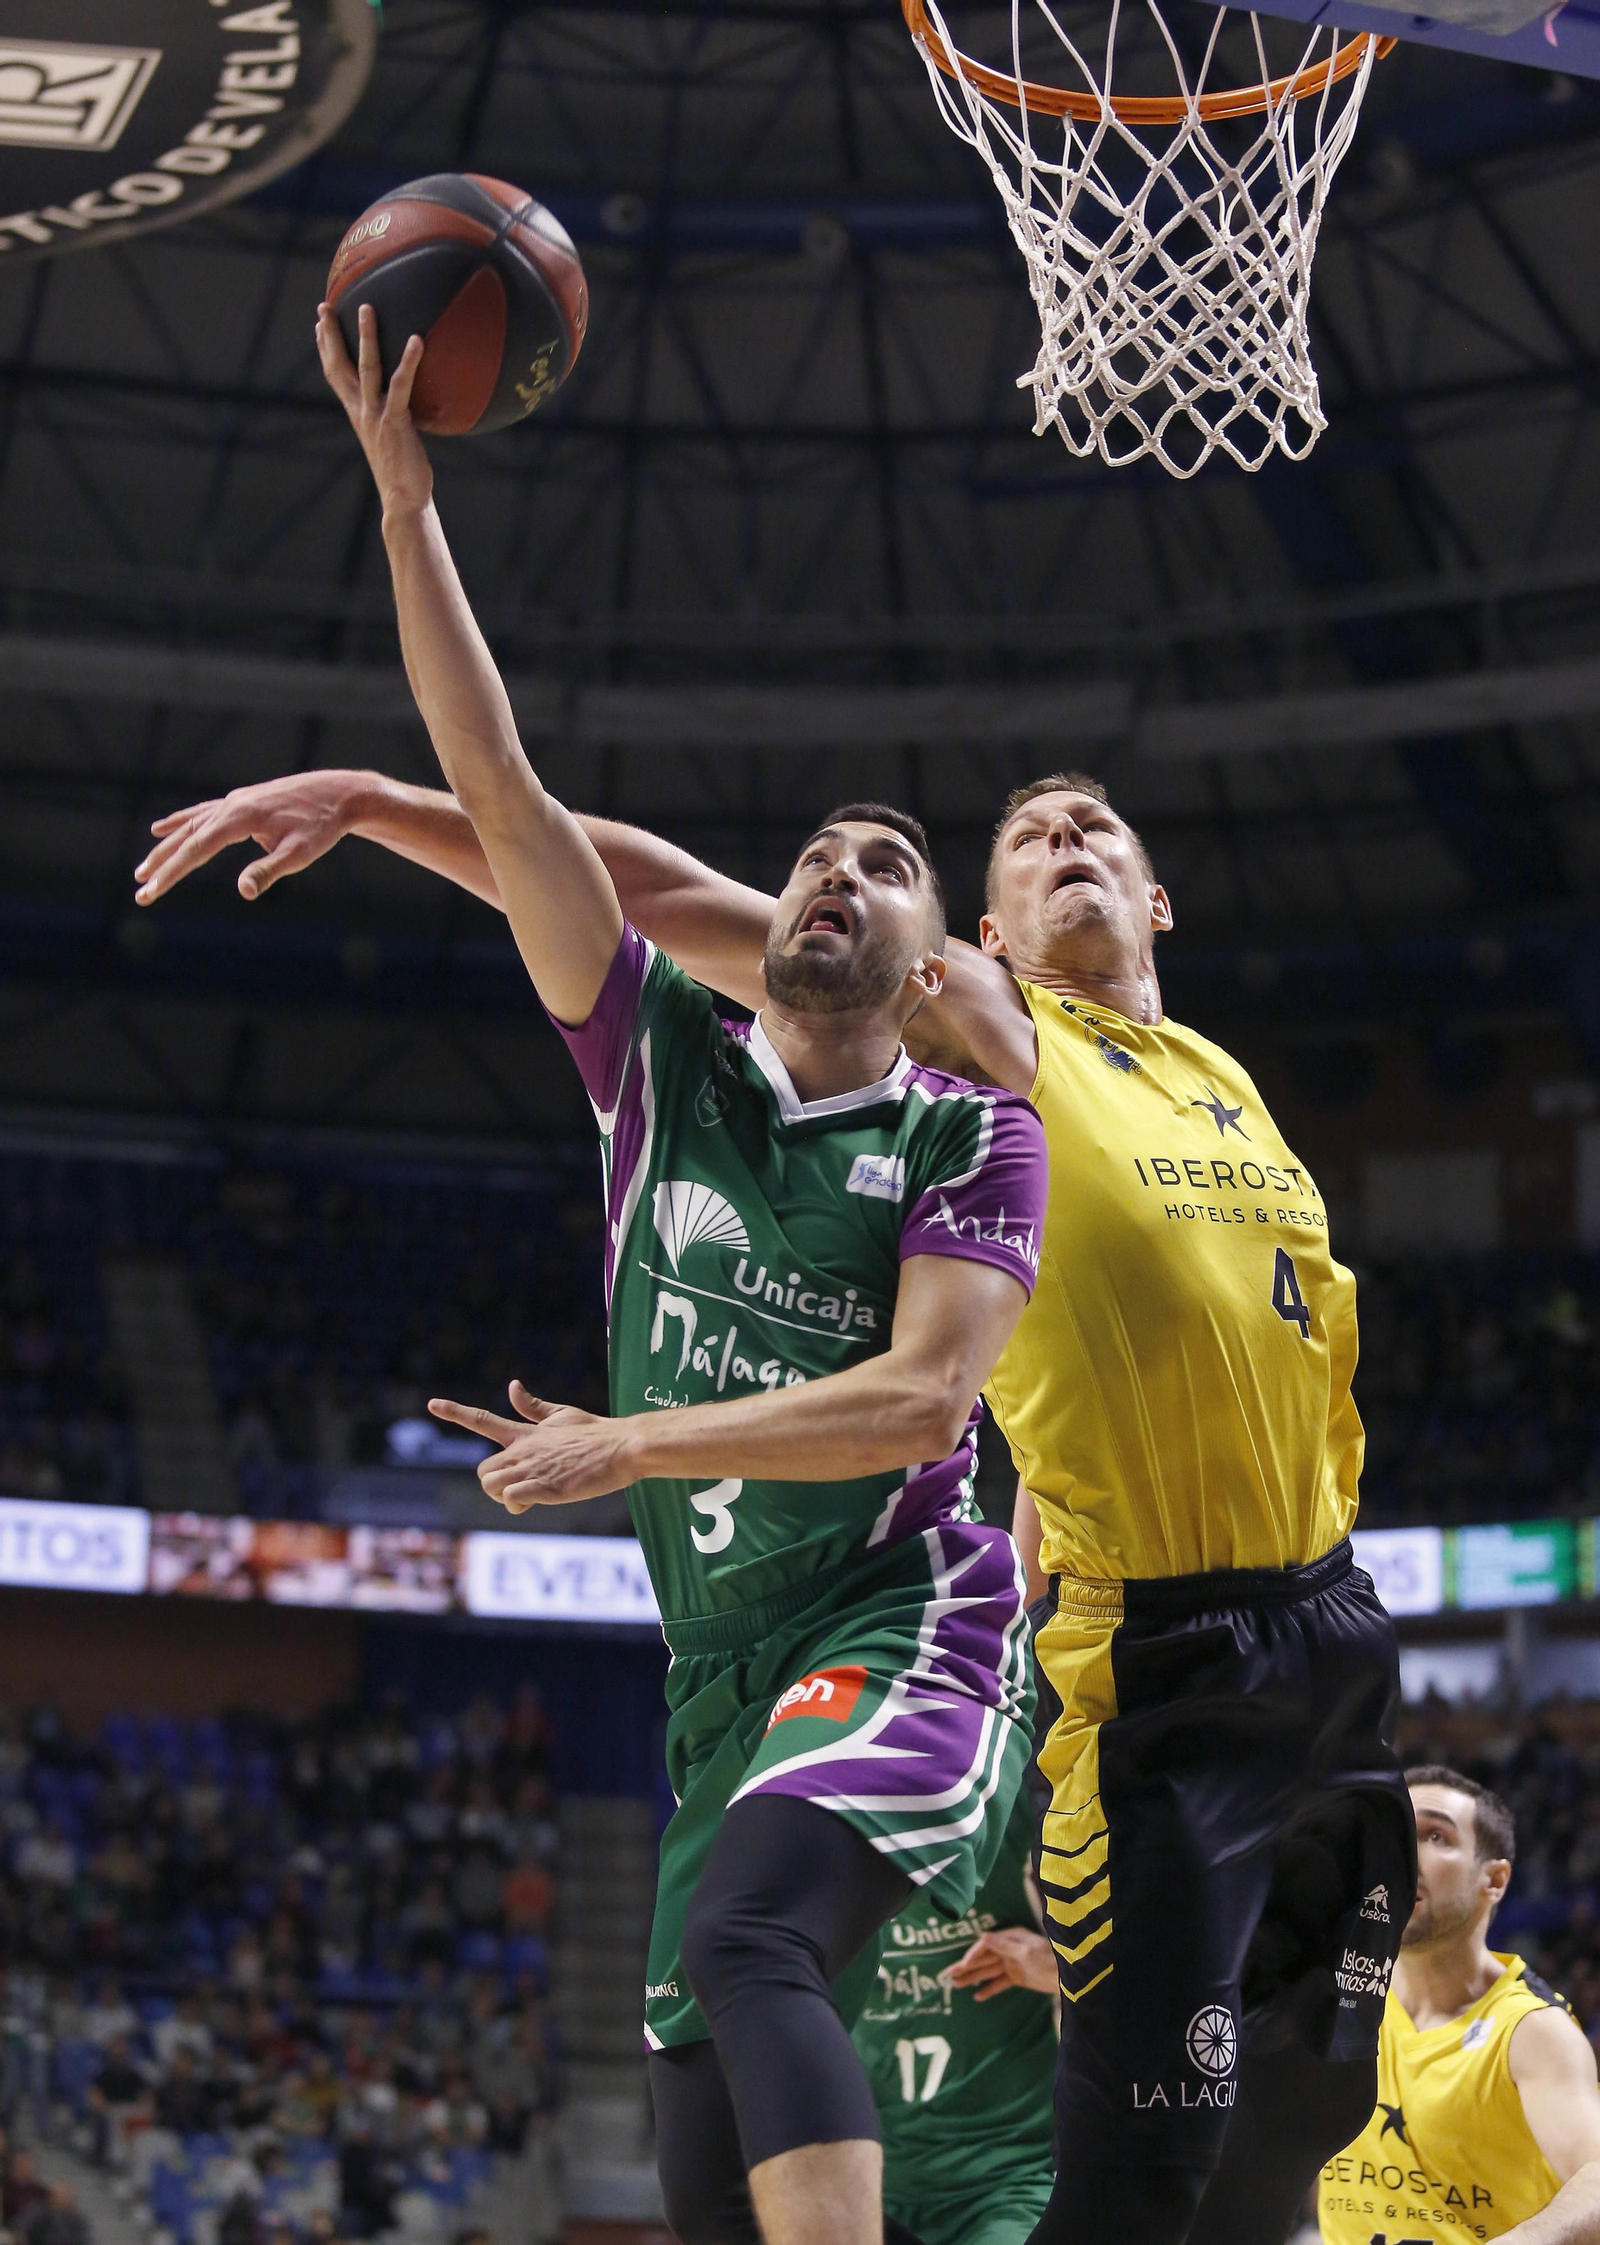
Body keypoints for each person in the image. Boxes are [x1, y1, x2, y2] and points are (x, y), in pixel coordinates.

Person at [137, 530, 1408, 2245]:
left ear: (1160, 896)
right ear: (976, 934)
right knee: (963, 2155)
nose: (1067, 843)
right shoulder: (970, 1034)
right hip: (1080, 1651)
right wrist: (379, 799)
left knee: (1296, 2132)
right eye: (1027, 839)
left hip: (1301, 1621)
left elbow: (1269, 1335)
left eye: (1097, 828)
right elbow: (619, 877)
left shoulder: (1217, 1080)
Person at [193, 303, 1047, 2245]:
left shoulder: (969, 1130)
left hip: (906, 1618)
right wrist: (405, 500)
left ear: (929, 962)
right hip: (718, 1672)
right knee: (685, 2139)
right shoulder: (654, 1055)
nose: (834, 867)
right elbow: (510, 794)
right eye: (814, 851)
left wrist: (636, 1440)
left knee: (756, 1933)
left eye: (883, 860)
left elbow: (922, 1403)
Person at [1320, 1766, 1600, 2245]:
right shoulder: (1342, 2000)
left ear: (1494, 1879)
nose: (1404, 1856)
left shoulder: (1531, 2030)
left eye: (1434, 1835)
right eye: (1396, 1834)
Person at [855, 1783, 1056, 2245]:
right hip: (865, 2184)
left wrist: (1057, 1967)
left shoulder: (1020, 1816)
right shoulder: (816, 1841)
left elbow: (1153, 1977)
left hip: (1010, 2181)